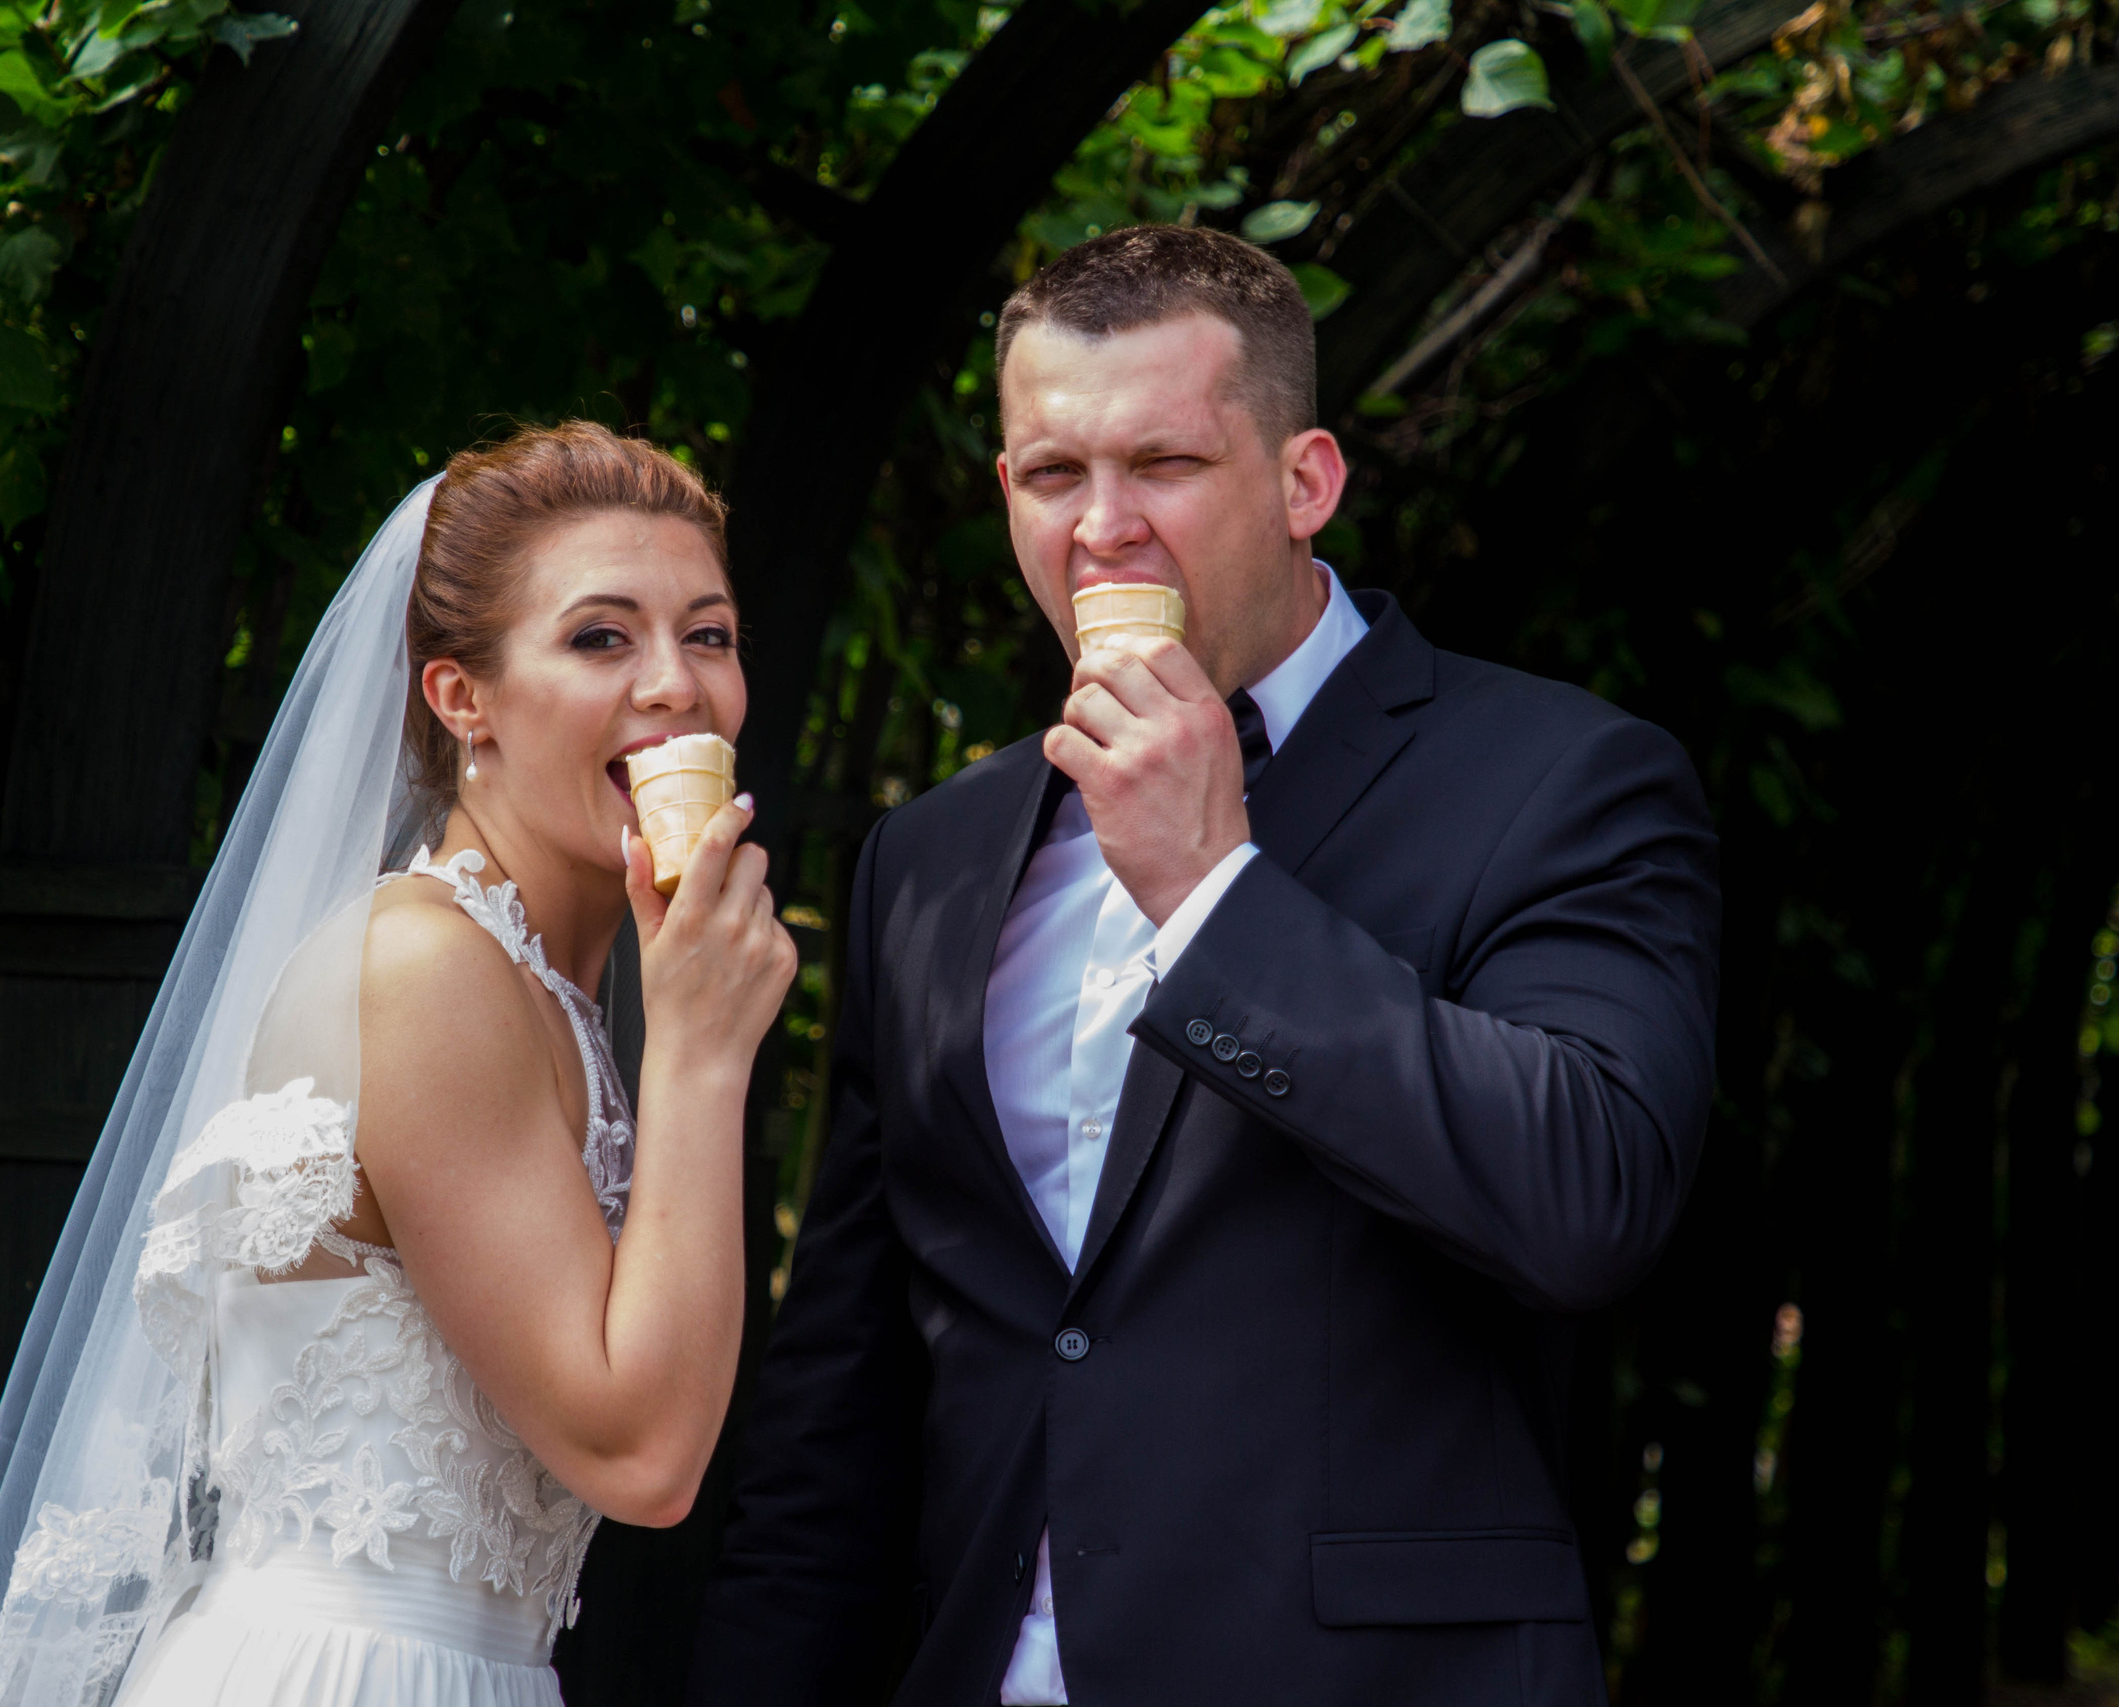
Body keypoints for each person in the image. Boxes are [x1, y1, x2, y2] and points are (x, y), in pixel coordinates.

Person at [688, 225, 1723, 1704]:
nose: (1103, 524)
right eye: (1054, 474)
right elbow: (841, 1402)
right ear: (1006, 495)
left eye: (1163, 464)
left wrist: (1209, 889)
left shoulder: (1562, 779)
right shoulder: (930, 853)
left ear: (1306, 482)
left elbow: (1588, 1194)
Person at [0, 423, 795, 1707]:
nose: (676, 685)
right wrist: (704, 1058)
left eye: (707, 634)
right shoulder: (424, 969)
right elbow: (642, 1455)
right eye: (602, 637)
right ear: (458, 697)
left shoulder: (558, 986)